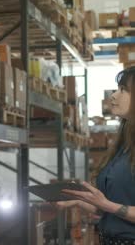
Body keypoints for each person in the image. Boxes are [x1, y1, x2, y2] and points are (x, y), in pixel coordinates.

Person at [55, 67, 135, 244]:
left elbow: (112, 207)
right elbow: (113, 210)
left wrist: (107, 205)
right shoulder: (124, 146)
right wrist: (81, 201)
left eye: (123, 90)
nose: (113, 95)